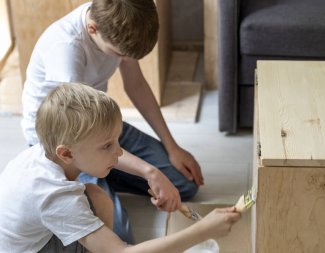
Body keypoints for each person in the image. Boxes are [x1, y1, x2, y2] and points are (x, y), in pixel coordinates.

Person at [21, 0, 204, 243]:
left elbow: (136, 85)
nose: (122, 59)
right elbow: (79, 138)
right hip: (67, 146)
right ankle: (99, 180)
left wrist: (172, 147)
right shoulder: (66, 49)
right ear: (93, 29)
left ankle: (106, 175)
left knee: (184, 185)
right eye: (119, 55)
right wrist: (148, 171)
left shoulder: (122, 18)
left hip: (99, 125)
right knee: (119, 235)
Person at [0, 83, 240, 253]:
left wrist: (150, 173)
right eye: (107, 145)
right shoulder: (54, 195)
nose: (118, 152)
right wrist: (203, 231)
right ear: (67, 153)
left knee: (96, 195)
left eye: (117, 140)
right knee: (114, 236)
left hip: (29, 238)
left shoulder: (45, 152)